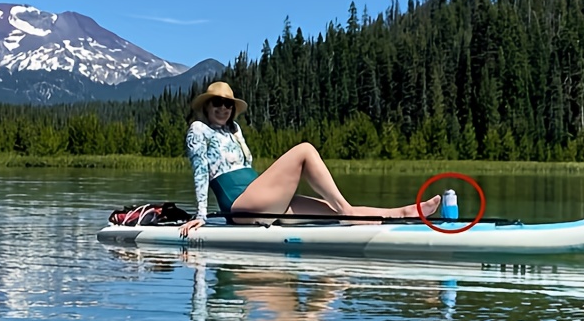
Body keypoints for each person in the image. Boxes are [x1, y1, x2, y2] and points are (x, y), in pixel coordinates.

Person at [181, 81, 441, 236]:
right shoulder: (198, 130)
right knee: (305, 150)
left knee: (334, 211)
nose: (223, 108)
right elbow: (200, 172)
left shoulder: (235, 131)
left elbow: (247, 167)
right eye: (217, 102)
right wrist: (201, 216)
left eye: (228, 104)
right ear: (206, 105)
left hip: (261, 198)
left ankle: (406, 213)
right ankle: (347, 212)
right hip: (242, 206)